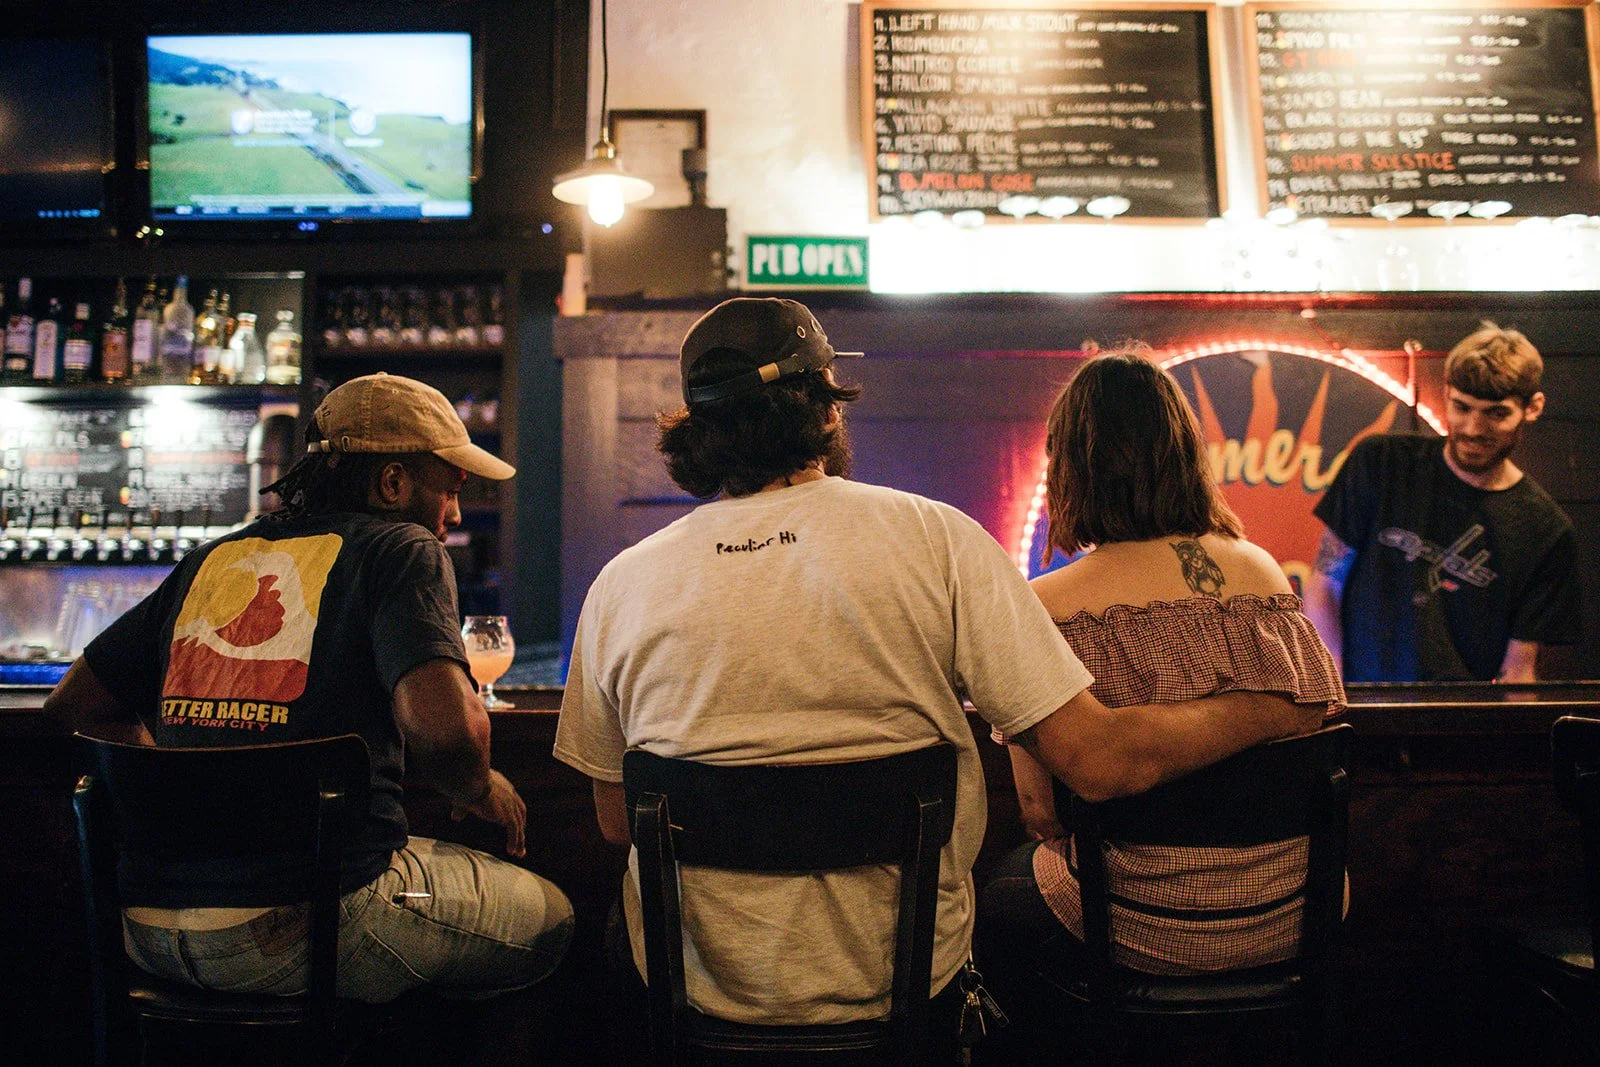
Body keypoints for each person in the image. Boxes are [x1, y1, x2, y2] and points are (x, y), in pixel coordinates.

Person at [553, 298, 1324, 1042]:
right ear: (828, 412)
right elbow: (1096, 760)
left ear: (698, 432)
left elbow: (618, 821)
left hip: (693, 997)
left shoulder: (621, 584)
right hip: (904, 989)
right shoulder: (937, 541)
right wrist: (1266, 706)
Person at [44, 372, 573, 1004]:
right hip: (308, 929)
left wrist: (178, 786)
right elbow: (445, 734)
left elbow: (73, 706)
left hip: (142, 927)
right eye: (451, 489)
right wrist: (478, 788)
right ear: (393, 483)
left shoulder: (215, 557)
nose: (454, 515)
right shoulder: (401, 549)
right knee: (552, 919)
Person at [976, 349, 1344, 997]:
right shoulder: (1260, 573)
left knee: (998, 897)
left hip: (1137, 924)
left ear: (1072, 469)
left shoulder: (1044, 608)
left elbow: (1040, 813)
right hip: (1295, 908)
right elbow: (1315, 715)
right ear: (1187, 457)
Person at [1303, 323, 1581, 682]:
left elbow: (1518, 667)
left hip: (1462, 713)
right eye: (1461, 407)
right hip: (1361, 703)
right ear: (1447, 393)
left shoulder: (1545, 530)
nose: (1473, 429)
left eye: (1496, 413)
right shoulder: (1381, 461)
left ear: (1533, 407)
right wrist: (1332, 689)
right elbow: (1325, 583)